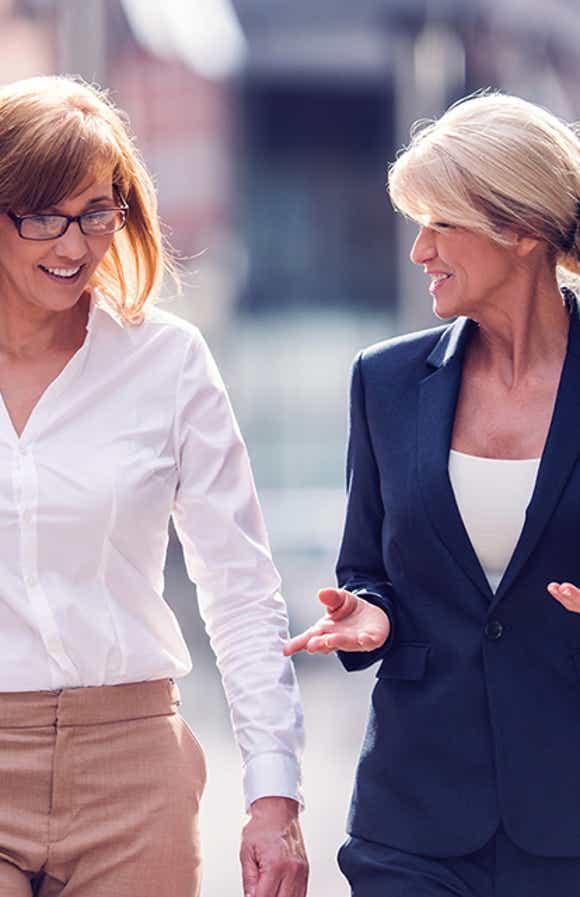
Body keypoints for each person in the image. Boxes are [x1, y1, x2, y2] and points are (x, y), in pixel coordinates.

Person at [0, 74, 307, 897]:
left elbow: (240, 585)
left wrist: (273, 792)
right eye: (42, 217)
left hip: (132, 768)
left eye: (97, 212)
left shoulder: (166, 360)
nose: (74, 246)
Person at [285, 91, 580, 896]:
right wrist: (368, 613)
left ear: (520, 229)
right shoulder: (384, 381)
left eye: (441, 223)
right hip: (412, 823)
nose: (419, 251)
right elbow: (367, 568)